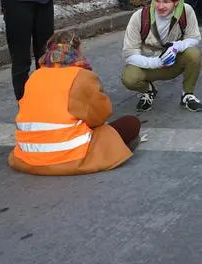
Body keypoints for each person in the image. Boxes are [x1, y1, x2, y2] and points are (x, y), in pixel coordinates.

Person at [9, 31, 141, 176]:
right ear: (77, 50)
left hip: (26, 158)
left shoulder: (34, 76)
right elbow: (101, 116)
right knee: (131, 123)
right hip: (68, 158)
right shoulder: (80, 76)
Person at [120, 0, 202, 112]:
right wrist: (156, 62)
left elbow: (194, 37)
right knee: (129, 78)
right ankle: (148, 90)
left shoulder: (186, 11)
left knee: (194, 54)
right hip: (148, 64)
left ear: (176, 2)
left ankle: (187, 94)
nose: (160, 6)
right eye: (157, 1)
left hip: (174, 62)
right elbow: (129, 54)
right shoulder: (139, 17)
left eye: (166, 2)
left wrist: (176, 47)